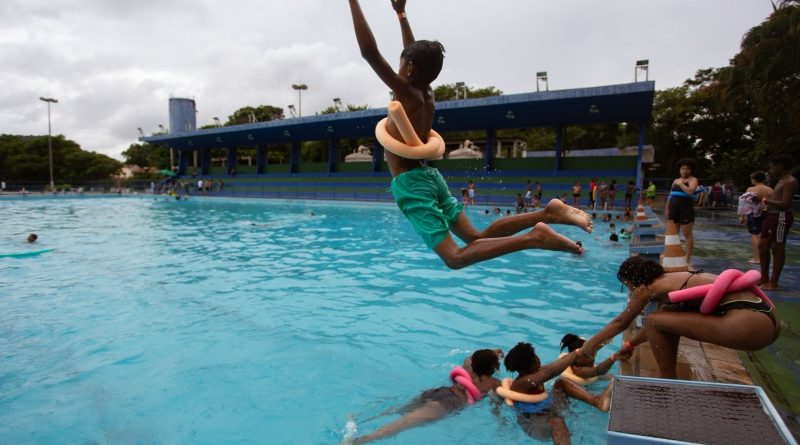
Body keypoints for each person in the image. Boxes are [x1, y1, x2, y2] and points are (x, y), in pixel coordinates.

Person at [348, 0, 590, 269]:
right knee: (475, 237)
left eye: (400, 63)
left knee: (454, 257)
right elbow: (412, 54)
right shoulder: (425, 93)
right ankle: (547, 213)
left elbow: (369, 52)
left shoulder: (405, 91)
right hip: (429, 176)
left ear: (409, 69)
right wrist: (401, 15)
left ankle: (535, 237)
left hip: (411, 183)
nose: (398, 66)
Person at [579, 256, 781, 379]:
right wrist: (631, 345)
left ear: (633, 281)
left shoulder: (647, 288)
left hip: (747, 325)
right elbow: (662, 325)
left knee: (652, 319)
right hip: (767, 320)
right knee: (660, 318)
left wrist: (589, 348)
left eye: (627, 286)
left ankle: (668, 383)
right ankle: (669, 381)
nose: (630, 291)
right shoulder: (671, 280)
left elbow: (621, 322)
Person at [348, 349, 503, 444]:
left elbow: (476, 356)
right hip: (449, 404)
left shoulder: (468, 363)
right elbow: (498, 401)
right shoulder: (493, 383)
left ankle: (357, 420)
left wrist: (493, 352)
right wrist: (498, 415)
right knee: (399, 426)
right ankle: (355, 442)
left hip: (439, 391)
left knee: (398, 410)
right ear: (491, 370)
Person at [503, 342, 582, 445]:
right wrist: (577, 353)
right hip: (533, 422)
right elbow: (551, 372)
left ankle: (596, 401)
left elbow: (557, 364)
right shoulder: (522, 382)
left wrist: (584, 350)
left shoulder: (535, 372)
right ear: (523, 371)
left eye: (534, 356)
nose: (536, 360)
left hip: (546, 409)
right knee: (557, 423)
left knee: (561, 383)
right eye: (532, 361)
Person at [759, 154, 799, 290]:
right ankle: (764, 278)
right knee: (763, 245)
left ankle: (773, 283)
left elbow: (785, 204)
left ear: (780, 166)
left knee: (777, 247)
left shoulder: (789, 181)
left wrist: (765, 200)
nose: (771, 169)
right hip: (771, 216)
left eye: (772, 166)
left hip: (780, 216)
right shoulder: (780, 181)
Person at [557, 334, 616, 412]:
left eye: (593, 351)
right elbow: (598, 370)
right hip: (574, 394)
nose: (593, 355)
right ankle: (597, 401)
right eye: (588, 355)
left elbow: (589, 350)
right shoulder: (579, 370)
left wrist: (603, 341)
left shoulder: (582, 358)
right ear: (577, 358)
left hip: (588, 384)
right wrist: (614, 357)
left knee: (613, 378)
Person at [664, 159, 699, 267]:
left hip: (686, 209)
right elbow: (670, 195)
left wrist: (682, 184)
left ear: (691, 170)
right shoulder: (675, 180)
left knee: (687, 234)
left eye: (687, 169)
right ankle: (675, 254)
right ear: (679, 170)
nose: (684, 171)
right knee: (674, 234)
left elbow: (690, 191)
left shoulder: (693, 180)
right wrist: (667, 208)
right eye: (682, 169)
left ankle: (687, 256)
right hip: (674, 208)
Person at [738, 171, 772, 263]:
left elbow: (744, 204)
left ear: (754, 179)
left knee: (754, 234)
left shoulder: (751, 189)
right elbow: (772, 203)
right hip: (766, 213)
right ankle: (764, 257)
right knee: (763, 235)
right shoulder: (769, 189)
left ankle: (757, 258)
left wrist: (742, 216)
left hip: (753, 213)